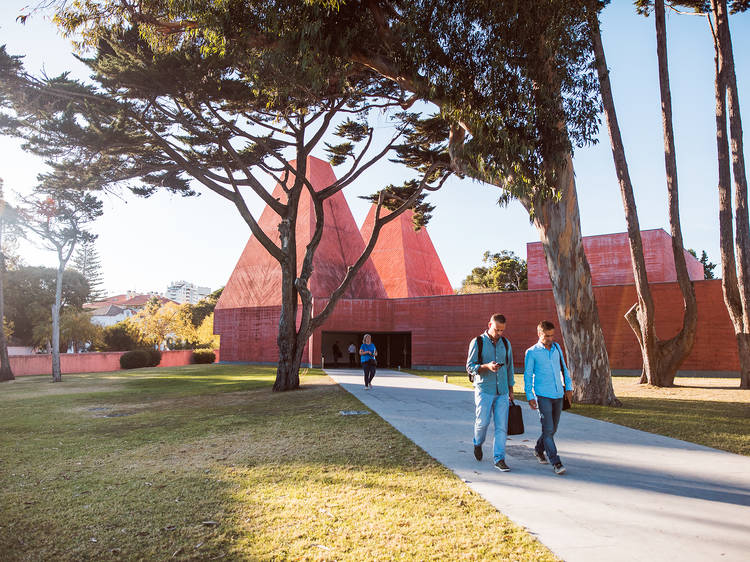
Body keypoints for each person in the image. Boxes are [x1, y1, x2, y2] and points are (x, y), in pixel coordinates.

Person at [524, 320, 574, 475]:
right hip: (542, 395)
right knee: (548, 429)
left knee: (552, 429)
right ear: (539, 334)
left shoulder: (557, 347)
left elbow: (564, 369)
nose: (550, 339)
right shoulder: (532, 352)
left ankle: (539, 449)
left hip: (558, 394)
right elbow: (527, 375)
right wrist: (530, 396)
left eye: (552, 335)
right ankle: (556, 462)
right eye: (547, 336)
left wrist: (569, 388)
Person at [466, 313, 514, 472]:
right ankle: (477, 443)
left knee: (502, 427)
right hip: (484, 390)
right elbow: (470, 366)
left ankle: (499, 458)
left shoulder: (506, 344)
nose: (499, 333)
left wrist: (511, 390)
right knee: (483, 423)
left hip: (502, 392)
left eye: (502, 330)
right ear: (489, 325)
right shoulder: (477, 342)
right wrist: (486, 366)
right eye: (497, 329)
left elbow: (509, 368)